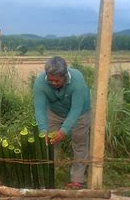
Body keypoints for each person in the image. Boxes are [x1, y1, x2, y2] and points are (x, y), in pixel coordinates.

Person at [33, 56, 91, 188]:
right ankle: (49, 175)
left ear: (65, 76)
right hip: (55, 112)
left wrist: (64, 130)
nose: (53, 83)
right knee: (49, 142)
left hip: (80, 112)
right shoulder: (40, 82)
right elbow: (40, 109)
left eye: (57, 80)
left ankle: (78, 178)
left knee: (79, 142)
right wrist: (43, 130)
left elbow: (76, 109)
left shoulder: (77, 80)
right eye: (50, 80)